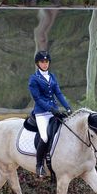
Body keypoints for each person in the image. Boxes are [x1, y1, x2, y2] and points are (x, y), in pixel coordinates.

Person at [28, 50, 72, 178]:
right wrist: (50, 108)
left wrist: (67, 107)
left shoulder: (52, 76)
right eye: (42, 62)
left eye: (46, 61)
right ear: (38, 63)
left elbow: (58, 93)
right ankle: (39, 165)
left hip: (54, 111)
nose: (45, 64)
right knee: (45, 137)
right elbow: (37, 99)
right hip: (42, 113)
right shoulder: (34, 79)